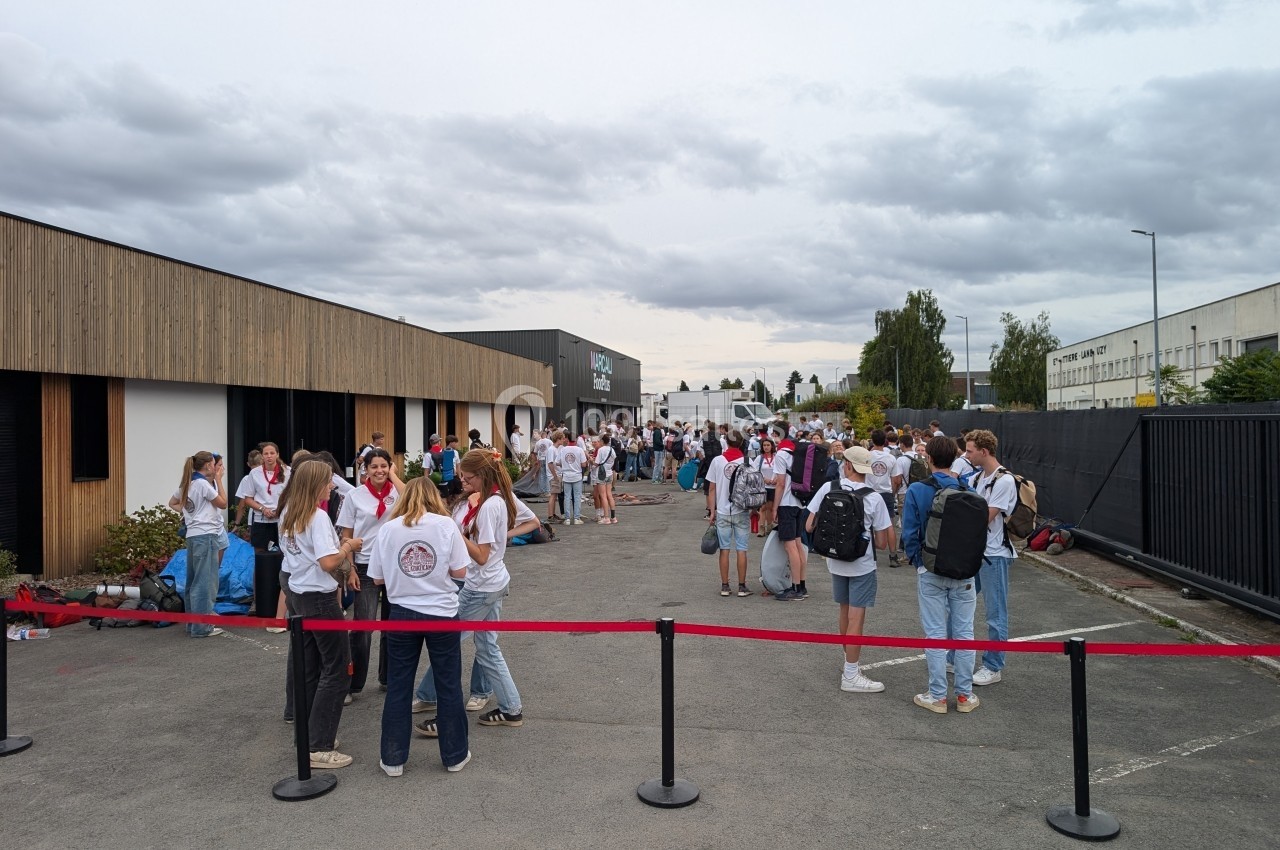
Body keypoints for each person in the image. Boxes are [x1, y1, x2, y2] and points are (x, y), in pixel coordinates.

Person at [414, 450, 526, 738]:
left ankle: (445, 715)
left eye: (467, 476)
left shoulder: (490, 506)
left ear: (482, 475)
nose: (462, 480)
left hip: (481, 586)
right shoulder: (493, 501)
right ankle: (511, 708)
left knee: (448, 646)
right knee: (488, 648)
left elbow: (481, 556)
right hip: (491, 583)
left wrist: (454, 533)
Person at [368, 476, 472, 776]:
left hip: (401, 612)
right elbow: (461, 570)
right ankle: (454, 756)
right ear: (434, 498)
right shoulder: (445, 525)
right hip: (442, 612)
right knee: (448, 685)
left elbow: (376, 578)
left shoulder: (388, 529)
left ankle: (393, 758)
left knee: (399, 686)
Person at [278, 459, 363, 767]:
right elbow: (328, 562)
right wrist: (348, 546)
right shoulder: (317, 516)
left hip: (299, 595)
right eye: (329, 481)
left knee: (311, 667)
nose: (332, 485)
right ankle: (319, 745)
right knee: (337, 669)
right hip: (319, 598)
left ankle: (311, 735)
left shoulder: (289, 512)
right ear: (316, 484)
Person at [902, 436, 979, 714]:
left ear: (929, 459)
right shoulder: (968, 489)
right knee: (965, 633)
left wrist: (918, 563)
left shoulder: (918, 490)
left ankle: (936, 696)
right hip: (964, 570)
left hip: (931, 568)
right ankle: (964, 695)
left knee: (935, 633)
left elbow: (909, 532)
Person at [805, 446, 892, 693]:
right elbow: (883, 543)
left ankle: (849, 664)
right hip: (861, 563)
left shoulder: (828, 488)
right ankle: (851, 674)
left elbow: (810, 525)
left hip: (834, 560)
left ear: (847, 465)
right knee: (857, 618)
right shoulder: (873, 497)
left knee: (844, 613)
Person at [336, 448, 404, 704]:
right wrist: (350, 567)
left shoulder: (398, 491)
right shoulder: (354, 496)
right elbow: (347, 535)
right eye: (374, 467)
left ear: (390, 467)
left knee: (392, 626)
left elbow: (413, 497)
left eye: (384, 466)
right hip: (363, 567)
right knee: (363, 628)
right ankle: (353, 684)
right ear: (365, 469)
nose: (379, 471)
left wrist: (394, 477)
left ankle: (388, 677)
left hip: (394, 566)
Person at [967, 429, 1018, 687]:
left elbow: (985, 516)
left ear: (983, 452)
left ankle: (993, 665)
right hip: (975, 552)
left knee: (995, 614)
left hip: (994, 555)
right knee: (961, 605)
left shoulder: (1004, 481)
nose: (966, 455)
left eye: (970, 451)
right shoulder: (976, 478)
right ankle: (957, 657)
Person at [169, 450, 228, 638]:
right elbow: (223, 503)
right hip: (206, 534)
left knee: (193, 580)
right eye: (213, 464)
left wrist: (189, 513)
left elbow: (173, 502)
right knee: (205, 581)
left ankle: (192, 623)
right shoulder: (203, 484)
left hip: (193, 535)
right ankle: (202, 627)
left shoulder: (188, 482)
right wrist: (219, 480)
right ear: (209, 465)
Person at [706, 430, 753, 597]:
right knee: (742, 549)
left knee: (724, 549)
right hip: (741, 509)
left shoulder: (717, 461)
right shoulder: (747, 461)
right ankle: (742, 586)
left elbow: (712, 489)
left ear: (725, 442)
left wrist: (712, 511)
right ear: (741, 443)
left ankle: (725, 585)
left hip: (723, 511)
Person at [770, 429, 808, 600]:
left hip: (786, 503)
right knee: (798, 545)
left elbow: (780, 483)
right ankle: (802, 586)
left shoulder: (781, 455)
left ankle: (794, 588)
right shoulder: (798, 451)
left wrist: (774, 507)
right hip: (800, 502)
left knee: (790, 546)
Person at [236, 441, 289, 552]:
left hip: (282, 518)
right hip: (261, 519)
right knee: (260, 552)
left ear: (277, 454)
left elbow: (292, 496)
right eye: (266, 454)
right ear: (262, 456)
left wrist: (279, 510)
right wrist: (263, 509)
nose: (269, 456)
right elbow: (248, 499)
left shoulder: (287, 472)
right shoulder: (254, 473)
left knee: (282, 552)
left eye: (272, 453)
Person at [866, 429, 902, 566]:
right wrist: (892, 493)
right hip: (886, 493)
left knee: (866, 523)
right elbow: (897, 479)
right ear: (885, 441)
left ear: (872, 440)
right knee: (889, 525)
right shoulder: (891, 458)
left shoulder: (867, 456)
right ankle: (893, 556)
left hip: (868, 492)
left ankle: (866, 552)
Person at [556, 433, 587, 525]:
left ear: (567, 439)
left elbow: (557, 462)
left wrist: (565, 464)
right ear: (576, 440)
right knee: (577, 497)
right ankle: (576, 518)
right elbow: (584, 464)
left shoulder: (563, 450)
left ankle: (567, 518)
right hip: (577, 475)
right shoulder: (579, 450)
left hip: (566, 475)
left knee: (567, 497)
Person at [591, 433, 618, 524]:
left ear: (602, 441)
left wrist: (591, 460)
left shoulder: (601, 450)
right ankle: (613, 517)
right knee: (609, 495)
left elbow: (597, 463)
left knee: (603, 496)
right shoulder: (611, 449)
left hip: (601, 474)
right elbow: (614, 459)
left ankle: (606, 517)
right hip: (609, 472)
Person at [755, 436, 778, 537]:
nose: (766, 447)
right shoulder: (759, 458)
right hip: (763, 486)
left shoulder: (777, 457)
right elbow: (755, 471)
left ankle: (769, 526)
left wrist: (776, 479)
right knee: (762, 507)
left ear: (772, 446)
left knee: (771, 507)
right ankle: (761, 528)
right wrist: (764, 479)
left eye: (768, 445)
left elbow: (780, 470)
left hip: (774, 486)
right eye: (764, 445)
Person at [232, 449, 262, 528]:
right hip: (273, 516)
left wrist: (237, 523)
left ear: (248, 464)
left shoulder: (246, 479)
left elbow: (242, 504)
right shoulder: (270, 477)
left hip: (254, 518)